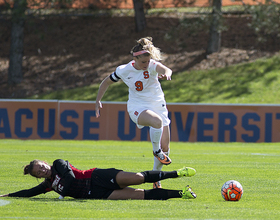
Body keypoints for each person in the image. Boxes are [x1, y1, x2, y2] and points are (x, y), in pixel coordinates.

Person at [95, 37, 173, 189]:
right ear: (135, 58)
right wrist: (98, 100)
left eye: (148, 61)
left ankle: (155, 177)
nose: (146, 64)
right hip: (137, 107)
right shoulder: (123, 70)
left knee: (166, 148)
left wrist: (167, 74)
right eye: (143, 62)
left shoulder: (151, 65)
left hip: (158, 105)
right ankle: (156, 151)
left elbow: (165, 69)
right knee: (157, 122)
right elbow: (106, 82)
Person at [0, 159, 197, 200]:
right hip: (97, 194)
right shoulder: (48, 185)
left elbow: (68, 177)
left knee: (138, 178)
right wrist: (8, 194)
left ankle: (177, 173)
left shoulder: (58, 163)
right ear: (38, 177)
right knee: (140, 195)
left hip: (97, 177)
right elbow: (28, 193)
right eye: (39, 172)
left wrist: (63, 193)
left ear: (44, 162)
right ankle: (183, 194)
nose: (43, 170)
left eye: (41, 166)